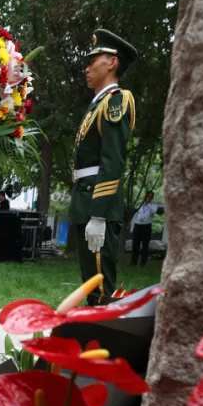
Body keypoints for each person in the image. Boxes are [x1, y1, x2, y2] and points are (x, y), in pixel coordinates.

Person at [68, 29, 138, 298]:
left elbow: (112, 162)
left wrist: (98, 214)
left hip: (99, 205)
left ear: (112, 62)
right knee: (91, 287)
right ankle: (96, 337)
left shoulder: (115, 101)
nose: (87, 67)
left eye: (92, 60)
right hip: (86, 199)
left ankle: (104, 339)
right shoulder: (97, 104)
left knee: (100, 289)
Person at [129, 190, 163, 266]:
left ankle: (143, 263)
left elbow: (153, 211)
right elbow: (134, 217)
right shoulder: (139, 206)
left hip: (146, 227)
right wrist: (132, 228)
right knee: (135, 245)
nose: (149, 198)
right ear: (145, 196)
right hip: (137, 226)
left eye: (151, 197)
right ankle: (133, 262)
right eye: (148, 196)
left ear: (152, 198)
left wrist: (148, 204)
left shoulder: (153, 206)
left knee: (145, 246)